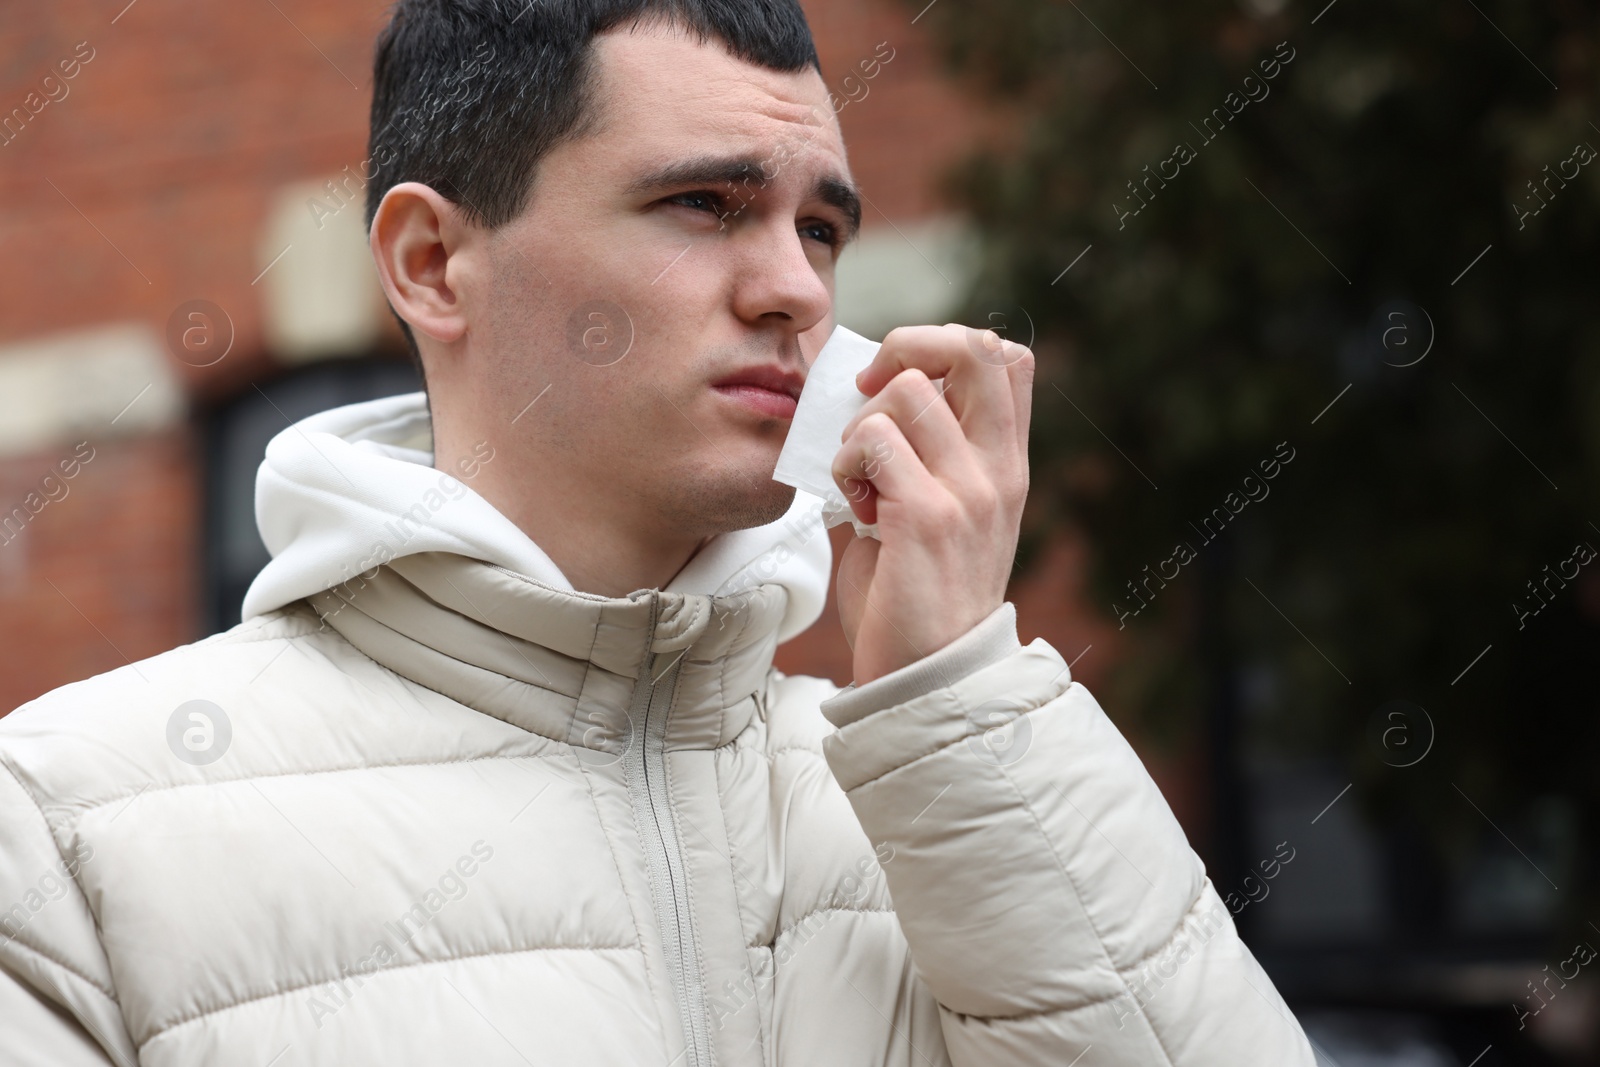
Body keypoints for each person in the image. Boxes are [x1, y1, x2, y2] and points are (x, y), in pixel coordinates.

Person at [0, 1, 1315, 1063]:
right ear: (432, 264)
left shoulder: (937, 789)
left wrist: (957, 695)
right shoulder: (63, 824)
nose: (797, 287)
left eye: (821, 226)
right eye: (706, 206)